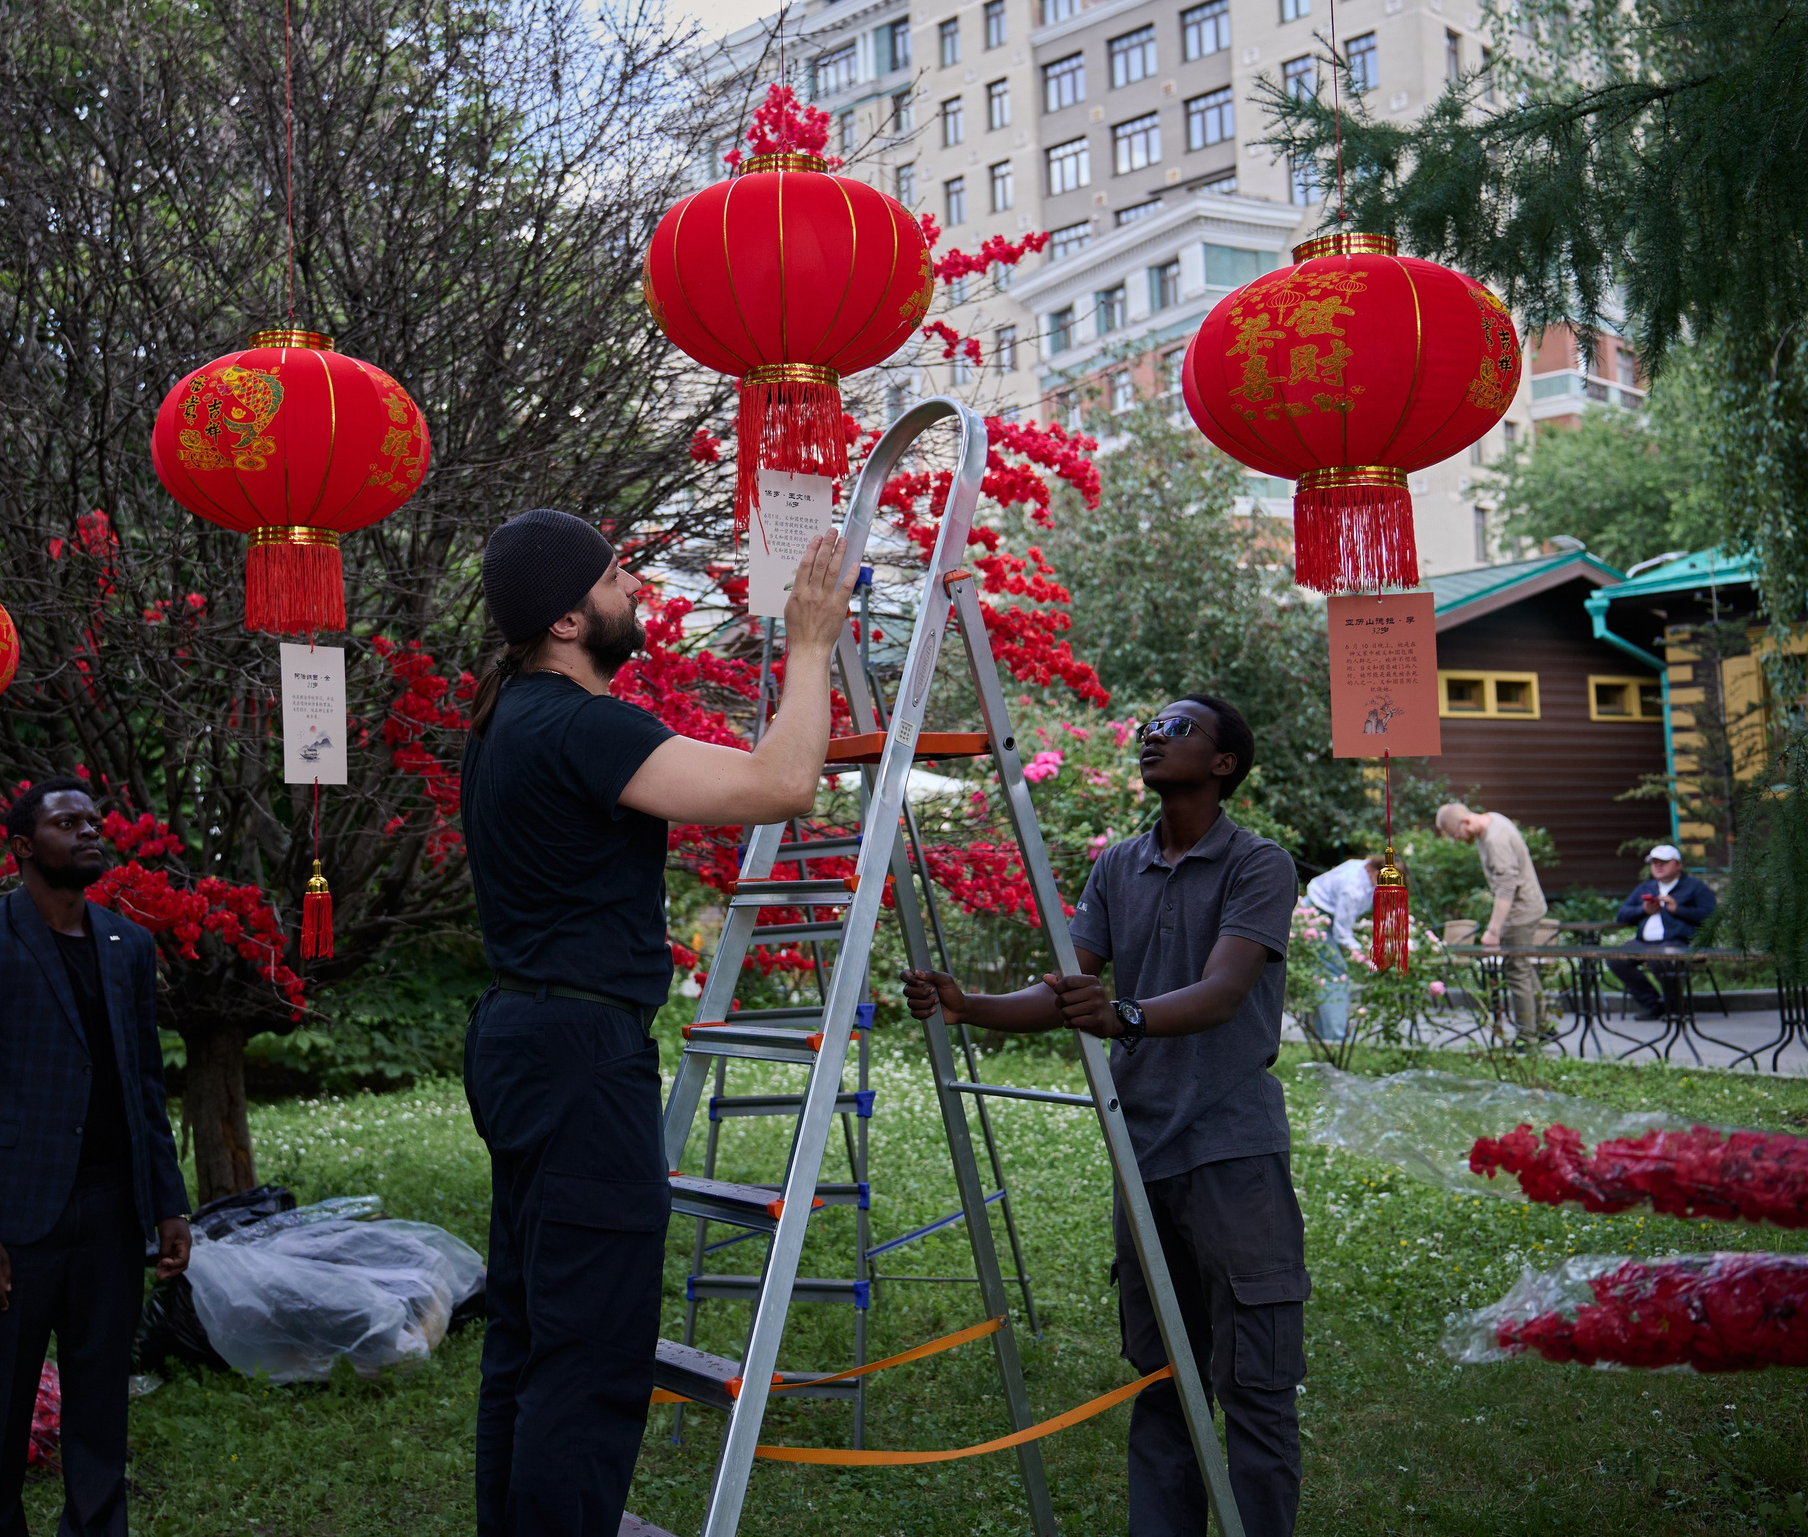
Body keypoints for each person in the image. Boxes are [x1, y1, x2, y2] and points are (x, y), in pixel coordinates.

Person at [459, 507, 852, 1537]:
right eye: (613, 578)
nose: (632, 590)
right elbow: (782, 784)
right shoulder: (579, 724)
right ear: (565, 623)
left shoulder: (506, 717)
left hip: (522, 1041)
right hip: (576, 1058)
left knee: (532, 1331)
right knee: (587, 1349)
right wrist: (809, 645)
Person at [902, 696, 1304, 1537]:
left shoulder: (1257, 864)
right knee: (1162, 1382)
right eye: (1151, 725)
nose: (1155, 735)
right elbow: (1063, 989)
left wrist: (1121, 1015)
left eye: (1181, 727)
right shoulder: (1118, 866)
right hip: (1142, 1153)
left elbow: (1226, 991)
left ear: (1225, 763)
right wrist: (968, 1003)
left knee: (1254, 1388)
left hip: (1232, 1154)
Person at [0, 779, 193, 1537]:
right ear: (21, 846)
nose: (88, 831)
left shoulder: (126, 944)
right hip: (14, 1216)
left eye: (94, 821)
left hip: (110, 1212)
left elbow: (144, 1084)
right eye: (66, 821)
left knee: (100, 1405)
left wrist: (167, 1202)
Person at [1435, 801, 1553, 1044]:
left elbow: (1507, 886)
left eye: (1455, 834)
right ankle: (1543, 1025)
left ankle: (1527, 1037)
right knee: (1524, 967)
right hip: (1529, 906)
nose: (1457, 840)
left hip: (1521, 912)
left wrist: (1493, 930)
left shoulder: (1493, 840)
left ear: (1466, 822)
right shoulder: (1494, 819)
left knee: (1516, 971)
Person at [1611, 844, 1718, 1019]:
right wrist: (1643, 910)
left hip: (1678, 942)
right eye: (1654, 863)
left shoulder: (1694, 887)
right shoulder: (1646, 887)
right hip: (1643, 943)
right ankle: (1654, 1004)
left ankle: (1676, 1008)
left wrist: (1678, 910)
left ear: (1678, 865)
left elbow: (1711, 916)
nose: (1658, 866)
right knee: (1616, 959)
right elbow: (1621, 915)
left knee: (1660, 958)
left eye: (1664, 862)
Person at [1300, 853, 1380, 1041]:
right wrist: (1364, 953)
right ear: (1377, 873)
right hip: (1314, 918)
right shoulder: (1353, 889)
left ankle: (1321, 1035)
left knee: (1322, 976)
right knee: (1336, 974)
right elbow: (1342, 934)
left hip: (1316, 912)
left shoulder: (1362, 866)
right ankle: (1334, 1037)